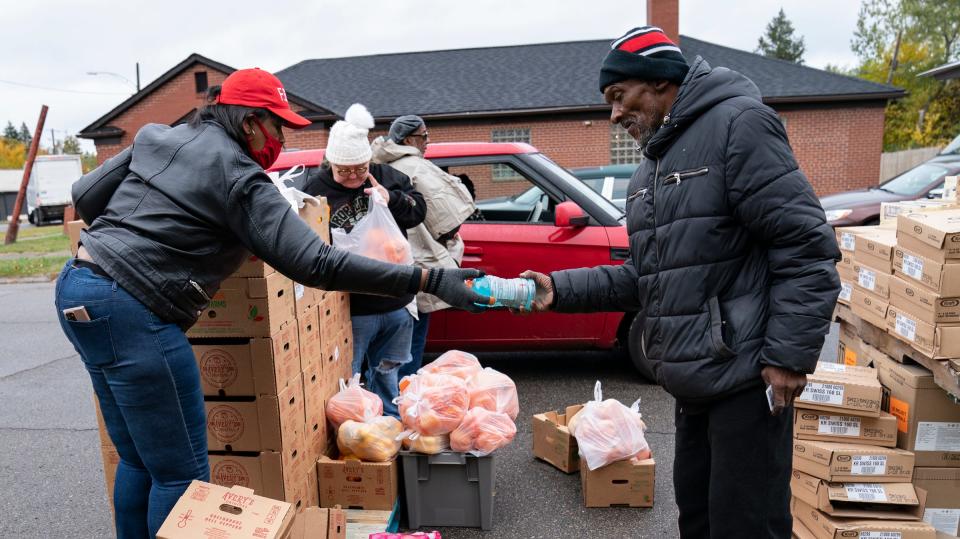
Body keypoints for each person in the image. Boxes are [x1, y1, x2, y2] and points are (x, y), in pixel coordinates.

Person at [58, 69, 488, 538]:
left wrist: (152, 233)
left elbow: (85, 196)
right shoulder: (240, 178)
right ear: (249, 123)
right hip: (134, 310)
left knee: (140, 459)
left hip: (81, 288)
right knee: (179, 475)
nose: (280, 138)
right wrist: (429, 278)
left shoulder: (158, 137)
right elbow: (317, 264)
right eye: (276, 125)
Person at [519, 27, 840, 538]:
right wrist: (559, 289)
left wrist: (787, 358)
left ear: (660, 82)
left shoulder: (739, 125)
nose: (614, 114)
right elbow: (646, 277)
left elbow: (805, 247)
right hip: (694, 385)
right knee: (697, 520)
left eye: (619, 97)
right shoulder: (652, 165)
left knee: (746, 527)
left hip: (747, 378)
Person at [293, 104, 427, 418]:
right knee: (346, 380)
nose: (353, 176)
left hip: (396, 303)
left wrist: (391, 198)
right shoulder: (315, 191)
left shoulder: (386, 177)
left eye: (360, 168)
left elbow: (419, 211)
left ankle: (388, 440)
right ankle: (353, 439)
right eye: (344, 170)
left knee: (388, 378)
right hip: (352, 309)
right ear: (330, 163)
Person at [370, 115, 477, 376]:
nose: (427, 141)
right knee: (413, 344)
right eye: (424, 136)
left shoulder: (375, 165)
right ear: (408, 140)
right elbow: (450, 217)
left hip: (385, 265)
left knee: (387, 348)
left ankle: (389, 400)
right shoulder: (416, 167)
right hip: (421, 263)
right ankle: (406, 399)